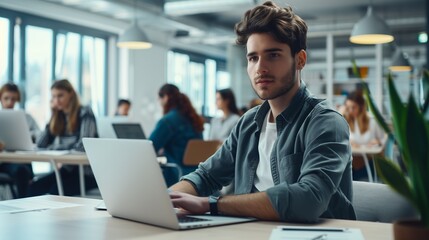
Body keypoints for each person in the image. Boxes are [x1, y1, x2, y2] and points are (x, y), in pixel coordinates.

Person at [169, 1, 355, 222]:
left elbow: (309, 199)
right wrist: (163, 201)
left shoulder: (325, 122)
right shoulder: (248, 123)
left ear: (300, 60)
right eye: (253, 58)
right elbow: (205, 176)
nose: (260, 68)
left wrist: (212, 204)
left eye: (273, 55)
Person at [28, 79, 98, 196]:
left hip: (87, 173)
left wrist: (55, 147)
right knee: (34, 187)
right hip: (67, 170)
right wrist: (53, 114)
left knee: (55, 191)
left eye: (60, 96)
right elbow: (41, 144)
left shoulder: (85, 112)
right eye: (53, 97)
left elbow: (83, 145)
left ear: (71, 94)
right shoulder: (59, 115)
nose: (56, 100)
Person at [149, 84, 204, 187]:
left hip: (177, 174)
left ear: (165, 97)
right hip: (200, 174)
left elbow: (149, 148)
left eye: (159, 99)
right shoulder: (193, 118)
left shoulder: (168, 121)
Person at [0, 83, 40, 198]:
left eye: (13, 99)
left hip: (21, 161)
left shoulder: (25, 117)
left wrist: (28, 136)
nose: (9, 102)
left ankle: (23, 203)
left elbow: (40, 136)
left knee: (22, 170)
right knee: (21, 171)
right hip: (3, 162)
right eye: (6, 98)